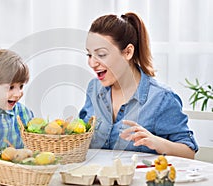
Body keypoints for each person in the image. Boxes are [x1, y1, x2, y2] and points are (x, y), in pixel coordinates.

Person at [79, 12, 198, 159]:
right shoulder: (94, 88)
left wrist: (158, 143)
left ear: (128, 52)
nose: (92, 63)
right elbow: (81, 135)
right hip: (93, 180)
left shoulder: (161, 98)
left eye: (101, 54)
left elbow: (189, 152)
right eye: (89, 55)